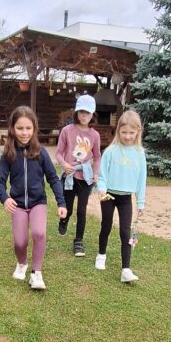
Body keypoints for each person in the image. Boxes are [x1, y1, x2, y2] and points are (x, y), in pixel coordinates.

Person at [0, 105, 67, 291]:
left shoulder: (41, 152)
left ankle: (36, 273)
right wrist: (5, 198)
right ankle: (22, 263)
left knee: (39, 233)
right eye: (20, 128)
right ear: (12, 128)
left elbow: (53, 178)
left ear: (34, 128)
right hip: (18, 204)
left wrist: (61, 202)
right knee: (20, 242)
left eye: (28, 128)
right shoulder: (9, 154)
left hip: (38, 203)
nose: (24, 132)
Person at [95, 109, 147, 284]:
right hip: (109, 195)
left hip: (126, 198)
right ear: (118, 131)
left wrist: (140, 203)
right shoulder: (111, 151)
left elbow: (141, 180)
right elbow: (102, 175)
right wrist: (102, 189)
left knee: (125, 231)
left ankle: (126, 269)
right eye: (124, 132)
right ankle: (101, 254)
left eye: (131, 133)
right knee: (106, 225)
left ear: (138, 132)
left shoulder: (140, 154)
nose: (127, 136)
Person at [55, 93, 101, 257]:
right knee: (68, 208)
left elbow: (97, 157)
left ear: (92, 114)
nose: (84, 115)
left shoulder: (95, 135)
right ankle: (64, 220)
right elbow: (59, 153)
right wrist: (64, 164)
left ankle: (78, 241)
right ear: (76, 112)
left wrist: (96, 173)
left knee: (82, 210)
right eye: (81, 112)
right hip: (69, 176)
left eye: (87, 112)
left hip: (85, 178)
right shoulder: (67, 131)